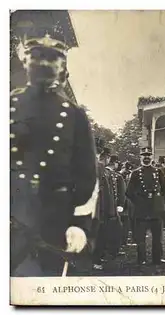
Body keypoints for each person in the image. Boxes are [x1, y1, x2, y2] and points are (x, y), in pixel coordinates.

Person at [10, 28, 97, 276]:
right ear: (25, 60)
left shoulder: (74, 115)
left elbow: (87, 175)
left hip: (55, 220)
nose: (45, 63)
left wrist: (79, 225)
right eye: (37, 56)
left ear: (62, 66)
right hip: (12, 211)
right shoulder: (8, 105)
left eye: (53, 58)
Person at [126, 147, 165, 265]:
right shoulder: (135, 173)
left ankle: (157, 258)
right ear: (140, 157)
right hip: (142, 210)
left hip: (156, 210)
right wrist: (139, 202)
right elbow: (129, 192)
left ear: (152, 157)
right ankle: (142, 259)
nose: (146, 158)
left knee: (157, 237)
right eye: (144, 155)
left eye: (148, 155)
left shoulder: (158, 172)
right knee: (141, 238)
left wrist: (158, 201)